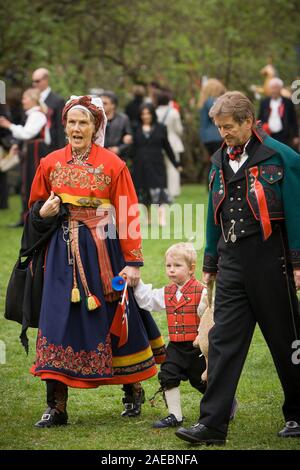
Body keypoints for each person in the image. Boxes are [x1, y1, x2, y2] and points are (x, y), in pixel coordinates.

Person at [24, 95, 165, 427]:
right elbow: (34, 209)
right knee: (56, 320)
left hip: (105, 251)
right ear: (64, 126)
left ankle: (132, 390)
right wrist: (42, 214)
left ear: (96, 126)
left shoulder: (114, 164)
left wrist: (132, 262)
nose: (76, 128)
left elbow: (129, 213)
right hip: (60, 254)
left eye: (83, 122)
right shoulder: (50, 163)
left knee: (116, 317)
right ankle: (56, 405)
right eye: (71, 122)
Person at [176, 91, 300, 445]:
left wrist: (297, 261)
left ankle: (297, 413)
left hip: (271, 260)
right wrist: (210, 262)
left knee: (287, 341)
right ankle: (212, 423)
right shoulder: (218, 160)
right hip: (231, 262)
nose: (223, 134)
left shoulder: (282, 157)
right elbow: (215, 213)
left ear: (248, 122)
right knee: (222, 341)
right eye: (219, 127)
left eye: (228, 127)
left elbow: (296, 210)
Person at [134, 243, 207, 428]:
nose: (171, 270)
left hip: (198, 348)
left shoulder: (203, 292)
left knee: (203, 381)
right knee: (168, 375)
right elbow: (147, 299)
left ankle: (226, 403)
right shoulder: (167, 292)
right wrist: (136, 282)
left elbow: (211, 316)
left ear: (191, 269)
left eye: (177, 266)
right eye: (168, 266)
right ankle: (175, 416)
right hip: (175, 347)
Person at [0, 88, 49, 225]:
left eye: (25, 98)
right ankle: (26, 217)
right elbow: (26, 135)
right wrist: (18, 145)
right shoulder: (32, 115)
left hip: (36, 152)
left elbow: (28, 134)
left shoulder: (38, 115)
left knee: (31, 183)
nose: (23, 101)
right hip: (31, 150)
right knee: (26, 184)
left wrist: (9, 125)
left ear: (33, 99)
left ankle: (32, 217)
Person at [132, 103, 181, 226]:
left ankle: (161, 218)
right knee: (144, 192)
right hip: (140, 165)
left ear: (152, 114)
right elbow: (132, 148)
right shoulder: (135, 128)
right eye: (143, 114)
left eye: (148, 113)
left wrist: (176, 164)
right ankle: (148, 218)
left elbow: (167, 147)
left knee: (160, 191)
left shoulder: (161, 128)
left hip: (157, 164)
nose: (145, 116)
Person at [156, 91, 184, 199]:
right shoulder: (174, 112)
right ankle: (173, 191)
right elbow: (179, 129)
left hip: (159, 142)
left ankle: (163, 189)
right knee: (173, 166)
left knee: (161, 168)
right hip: (173, 141)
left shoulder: (155, 112)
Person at [198, 78, 226, 185]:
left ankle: (210, 182)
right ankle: (215, 182)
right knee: (218, 161)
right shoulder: (211, 101)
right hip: (215, 135)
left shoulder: (203, 102)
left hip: (206, 137)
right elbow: (215, 114)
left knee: (212, 160)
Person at [258, 77, 299, 149]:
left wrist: (295, 136)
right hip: (268, 135)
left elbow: (293, 120)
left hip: (284, 135)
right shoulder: (264, 102)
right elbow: (260, 118)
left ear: (280, 89)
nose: (274, 90)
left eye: (276, 88)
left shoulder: (287, 102)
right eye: (272, 88)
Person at [32, 67, 66, 151]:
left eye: (37, 81)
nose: (34, 84)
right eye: (33, 81)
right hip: (33, 148)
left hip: (51, 147)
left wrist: (61, 150)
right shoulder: (31, 99)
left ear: (46, 80)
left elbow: (60, 127)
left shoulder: (57, 100)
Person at [100, 90, 133, 160]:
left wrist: (119, 149)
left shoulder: (123, 119)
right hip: (100, 157)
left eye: (105, 103)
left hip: (118, 158)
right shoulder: (96, 119)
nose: (102, 105)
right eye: (101, 103)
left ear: (113, 105)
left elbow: (129, 140)